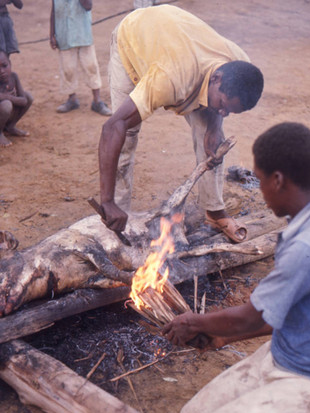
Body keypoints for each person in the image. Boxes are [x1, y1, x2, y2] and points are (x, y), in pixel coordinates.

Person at [162, 122, 310, 413]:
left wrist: (194, 322)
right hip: (286, 354)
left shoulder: (308, 247)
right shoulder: (307, 218)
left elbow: (254, 315)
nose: (260, 188)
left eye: (261, 178)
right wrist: (221, 334)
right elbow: (281, 312)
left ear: (279, 180)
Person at [98, 4, 264, 243]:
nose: (223, 111)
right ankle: (115, 218)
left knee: (212, 136)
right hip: (132, 39)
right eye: (222, 105)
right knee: (127, 134)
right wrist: (106, 201)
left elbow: (219, 106)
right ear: (216, 79)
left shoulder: (239, 65)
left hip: (175, 32)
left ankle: (214, 211)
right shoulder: (171, 77)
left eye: (230, 111)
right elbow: (112, 127)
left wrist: (214, 127)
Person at [50, 0, 112, 116]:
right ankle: (72, 99)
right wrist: (52, 34)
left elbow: (88, 6)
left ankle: (97, 101)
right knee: (68, 68)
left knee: (91, 66)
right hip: (64, 35)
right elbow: (53, 12)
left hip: (83, 34)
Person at [0, 47, 33, 146]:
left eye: (4, 65)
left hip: (5, 114)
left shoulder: (14, 77)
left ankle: (10, 127)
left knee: (28, 96)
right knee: (6, 105)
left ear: (10, 63)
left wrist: (5, 97)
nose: (2, 71)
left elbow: (24, 101)